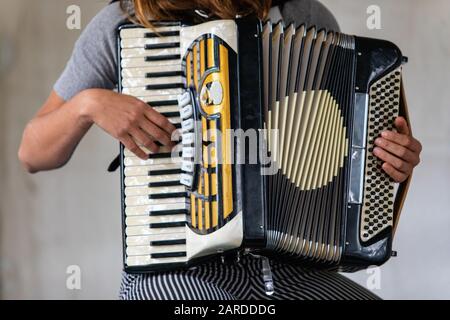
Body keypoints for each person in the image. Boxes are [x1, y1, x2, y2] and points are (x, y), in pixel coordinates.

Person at [18, 0, 422, 300]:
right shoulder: (126, 21)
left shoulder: (303, 16)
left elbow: (339, 148)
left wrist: (388, 159)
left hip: (288, 268)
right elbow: (33, 153)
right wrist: (88, 104)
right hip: (178, 269)